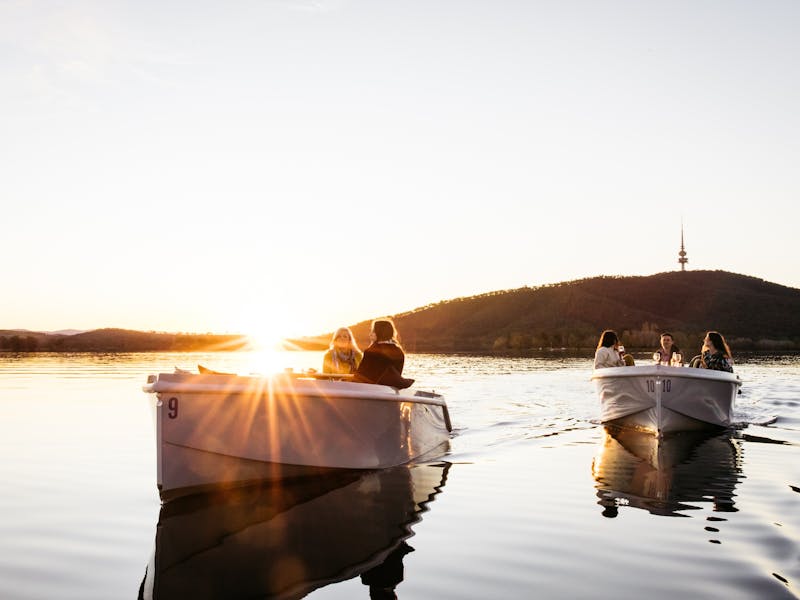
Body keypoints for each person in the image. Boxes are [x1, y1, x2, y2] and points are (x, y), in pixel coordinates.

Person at [353, 319, 414, 388]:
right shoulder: (399, 351)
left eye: (373, 331)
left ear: (380, 332)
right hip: (391, 391)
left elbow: (359, 376)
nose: (370, 334)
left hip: (370, 390)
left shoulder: (371, 351)